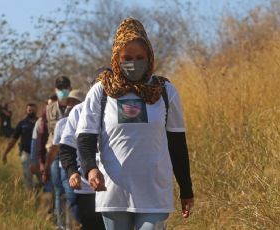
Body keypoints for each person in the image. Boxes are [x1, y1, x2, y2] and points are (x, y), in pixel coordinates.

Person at [76, 18, 194, 230]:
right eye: (127, 57)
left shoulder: (165, 91)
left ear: (149, 57)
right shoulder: (102, 91)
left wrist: (186, 189)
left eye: (140, 57)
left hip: (154, 192)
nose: (134, 62)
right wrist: (90, 169)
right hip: (113, 191)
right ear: (116, 58)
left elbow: (177, 144)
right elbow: (86, 136)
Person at [59, 88, 106, 230]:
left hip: (118, 187)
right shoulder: (78, 111)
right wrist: (72, 171)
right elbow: (66, 148)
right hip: (87, 187)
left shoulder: (122, 107)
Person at [43, 90, 85, 229]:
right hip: (67, 168)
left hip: (87, 168)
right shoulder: (62, 123)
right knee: (67, 196)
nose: (71, 105)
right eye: (70, 102)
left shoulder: (91, 121)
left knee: (77, 200)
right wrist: (47, 167)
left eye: (75, 102)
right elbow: (55, 148)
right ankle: (64, 225)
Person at [36, 76, 72, 229]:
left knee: (70, 190)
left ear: (70, 88)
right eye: (59, 87)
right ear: (55, 90)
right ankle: (61, 225)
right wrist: (41, 161)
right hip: (53, 154)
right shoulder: (48, 110)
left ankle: (71, 224)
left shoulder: (77, 106)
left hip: (71, 153)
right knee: (58, 190)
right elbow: (42, 136)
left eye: (65, 87)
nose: (62, 90)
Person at [2, 103, 38, 189]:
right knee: (27, 177)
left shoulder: (40, 122)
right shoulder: (22, 124)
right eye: (29, 110)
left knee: (43, 178)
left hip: (39, 154)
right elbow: (13, 140)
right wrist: (5, 153)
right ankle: (30, 199)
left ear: (36, 110)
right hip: (26, 153)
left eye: (33, 110)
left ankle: (42, 196)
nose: (31, 112)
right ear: (26, 111)